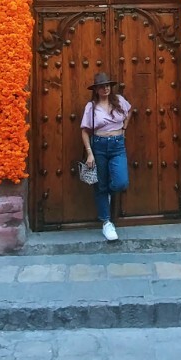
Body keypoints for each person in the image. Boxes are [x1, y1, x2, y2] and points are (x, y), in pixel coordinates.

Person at [81, 72, 132, 241]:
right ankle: (106, 222)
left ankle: (108, 192)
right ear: (96, 89)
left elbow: (129, 111)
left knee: (121, 182)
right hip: (99, 146)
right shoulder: (91, 107)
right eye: (102, 86)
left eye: (108, 85)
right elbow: (85, 131)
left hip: (118, 145)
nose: (106, 88)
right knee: (100, 186)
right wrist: (90, 153)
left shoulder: (119, 101)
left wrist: (123, 129)